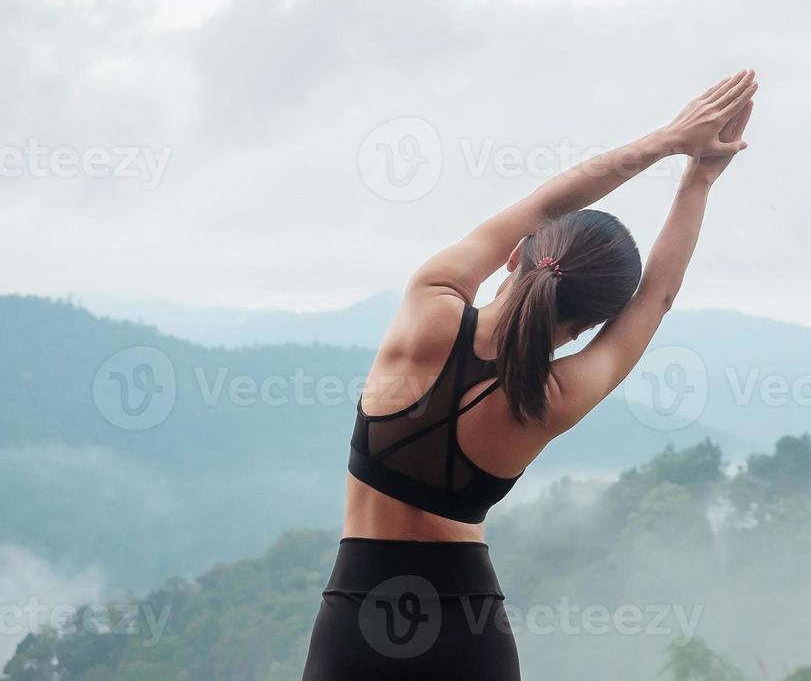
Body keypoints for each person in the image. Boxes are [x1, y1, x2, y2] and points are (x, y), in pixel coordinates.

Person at [301, 71, 758, 680]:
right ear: (592, 324)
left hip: (355, 627)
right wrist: (699, 179)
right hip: (470, 638)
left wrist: (668, 140)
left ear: (517, 255)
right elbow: (657, 298)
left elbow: (545, 204)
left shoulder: (429, 306)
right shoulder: (553, 398)